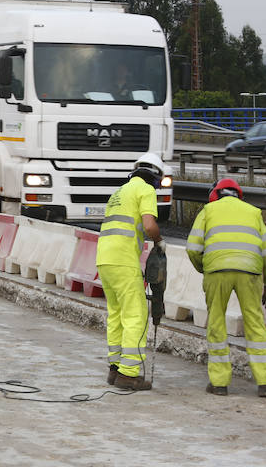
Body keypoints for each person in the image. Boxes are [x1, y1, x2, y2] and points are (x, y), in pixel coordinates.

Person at [186, 178, 266, 398]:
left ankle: (219, 383)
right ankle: (265, 382)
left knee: (217, 323)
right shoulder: (254, 213)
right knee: (255, 324)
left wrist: (205, 268)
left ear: (216, 195)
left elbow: (192, 248)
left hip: (216, 272)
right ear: (239, 195)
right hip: (251, 272)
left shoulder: (208, 211)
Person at [96, 153, 168, 390]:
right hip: (124, 261)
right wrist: (158, 241)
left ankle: (114, 369)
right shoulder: (145, 190)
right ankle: (128, 374)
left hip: (104, 259)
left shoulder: (119, 192)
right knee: (136, 315)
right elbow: (149, 225)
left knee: (116, 314)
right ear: (155, 178)